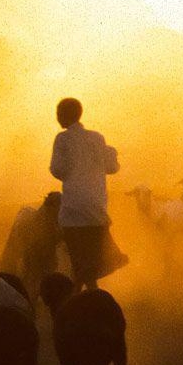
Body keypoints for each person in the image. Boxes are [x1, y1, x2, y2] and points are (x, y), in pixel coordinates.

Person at [49, 98, 123, 290]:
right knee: (89, 262)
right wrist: (111, 152)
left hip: (74, 211)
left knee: (79, 261)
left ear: (66, 115)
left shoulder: (62, 139)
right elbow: (112, 167)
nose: (57, 118)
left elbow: (58, 170)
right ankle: (88, 294)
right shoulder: (97, 138)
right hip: (97, 209)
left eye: (59, 114)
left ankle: (79, 296)